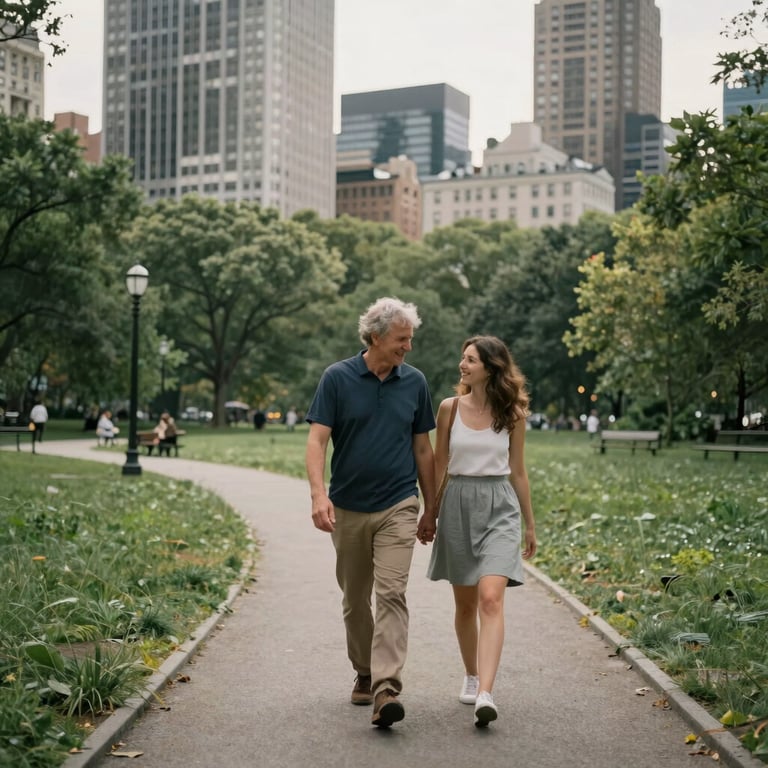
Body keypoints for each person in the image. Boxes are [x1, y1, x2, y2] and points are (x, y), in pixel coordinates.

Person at [305, 297, 437, 728]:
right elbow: (317, 441)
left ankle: (385, 688)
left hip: (399, 503)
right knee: (354, 600)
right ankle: (364, 670)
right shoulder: (337, 378)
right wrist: (317, 495)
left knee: (392, 593)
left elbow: (423, 448)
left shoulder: (414, 382)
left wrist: (430, 506)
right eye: (402, 339)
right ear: (377, 337)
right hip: (347, 507)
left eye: (410, 339)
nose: (408, 348)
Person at [419, 335, 536, 728]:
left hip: (500, 505)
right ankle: (470, 674)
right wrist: (430, 513)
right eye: (462, 358)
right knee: (466, 605)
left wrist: (530, 523)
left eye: (470, 360)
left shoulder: (513, 413)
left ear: (490, 366)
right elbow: (439, 463)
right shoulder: (449, 409)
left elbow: (518, 471)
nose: (462, 365)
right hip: (457, 505)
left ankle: (486, 691)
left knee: (490, 598)